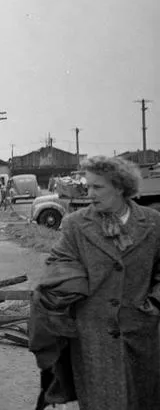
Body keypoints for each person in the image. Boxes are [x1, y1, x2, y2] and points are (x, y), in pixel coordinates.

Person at [29, 156, 160, 409]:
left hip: (140, 336)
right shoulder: (75, 225)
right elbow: (58, 267)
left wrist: (153, 307)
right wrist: (61, 292)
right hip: (93, 338)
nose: (90, 193)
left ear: (120, 187)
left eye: (97, 187)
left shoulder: (153, 223)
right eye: (87, 186)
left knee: (143, 400)